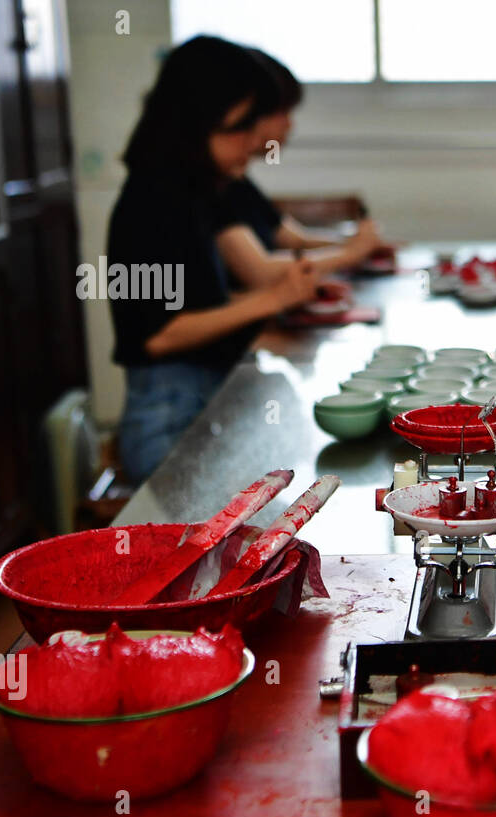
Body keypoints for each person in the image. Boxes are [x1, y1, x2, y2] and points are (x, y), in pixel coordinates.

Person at [108, 36, 318, 483]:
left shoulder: (196, 192)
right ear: (194, 121)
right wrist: (272, 297)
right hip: (167, 425)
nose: (254, 140)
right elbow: (158, 336)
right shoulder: (149, 201)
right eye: (241, 126)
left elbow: (205, 301)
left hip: (207, 401)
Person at [215, 48, 388, 290]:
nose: (289, 125)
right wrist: (351, 252)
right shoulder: (205, 188)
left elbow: (294, 240)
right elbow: (260, 273)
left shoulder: (237, 181)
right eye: (280, 112)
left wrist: (353, 245)